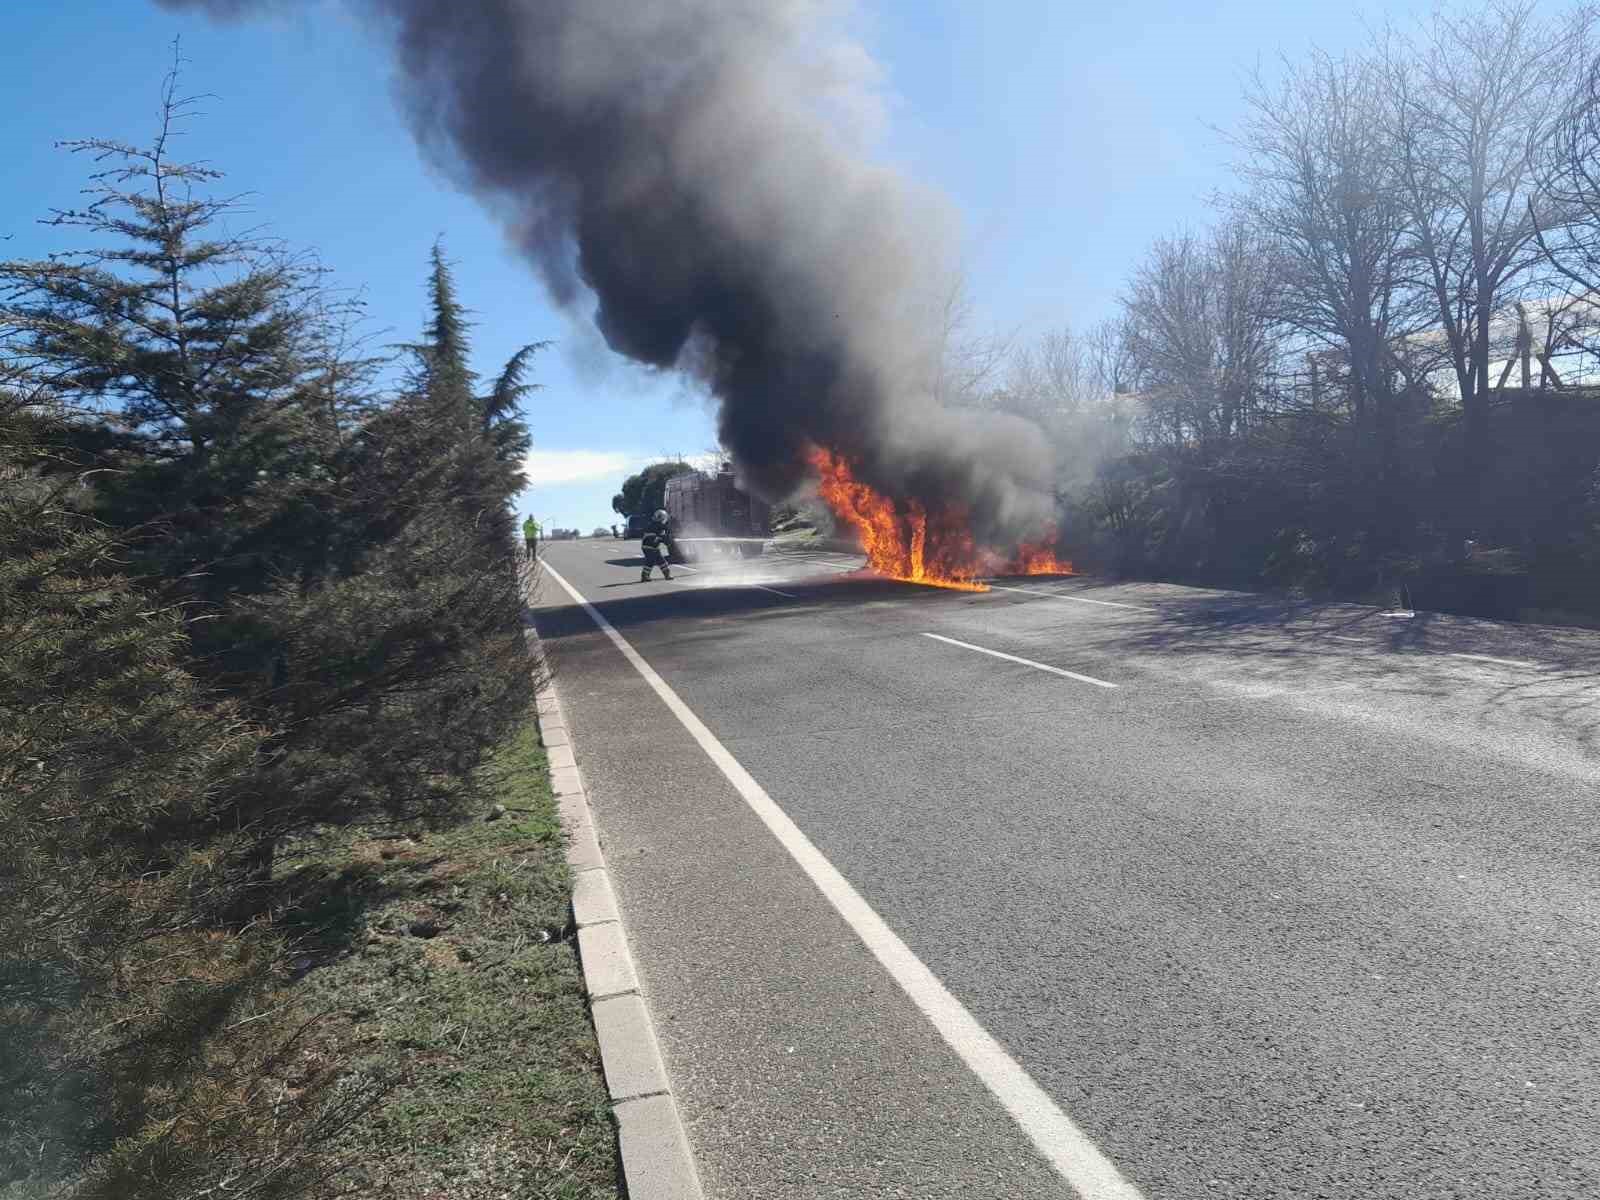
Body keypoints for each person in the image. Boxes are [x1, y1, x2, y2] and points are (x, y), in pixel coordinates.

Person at [640, 509, 673, 581]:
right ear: (663, 518)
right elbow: (662, 538)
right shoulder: (659, 526)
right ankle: (645, 576)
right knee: (650, 560)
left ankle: (667, 575)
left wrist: (665, 538)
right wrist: (667, 540)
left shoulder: (654, 524)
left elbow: (660, 537)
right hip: (648, 547)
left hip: (653, 547)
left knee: (661, 560)